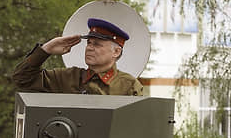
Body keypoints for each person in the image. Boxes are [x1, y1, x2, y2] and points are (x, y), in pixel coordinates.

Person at [13, 18, 143, 96]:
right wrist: (46, 49)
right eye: (89, 43)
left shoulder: (129, 85)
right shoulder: (68, 77)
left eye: (97, 44)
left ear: (116, 52)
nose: (90, 47)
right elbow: (22, 79)